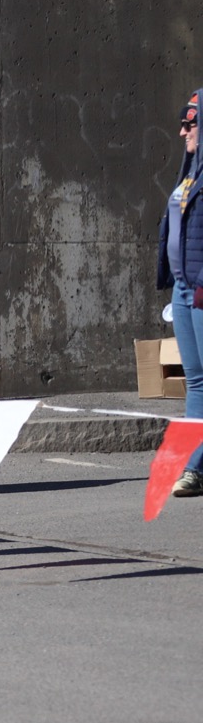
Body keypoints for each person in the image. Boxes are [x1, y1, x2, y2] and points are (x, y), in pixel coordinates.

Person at [161, 93, 203, 498]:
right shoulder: (190, 171)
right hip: (183, 288)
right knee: (196, 380)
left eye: (190, 124)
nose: (182, 131)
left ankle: (195, 467)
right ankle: (196, 466)